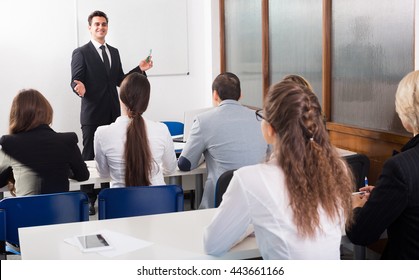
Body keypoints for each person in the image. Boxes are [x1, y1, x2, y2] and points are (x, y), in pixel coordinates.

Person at [204, 80, 354, 259]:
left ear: (270, 128)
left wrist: (252, 221)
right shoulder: (337, 170)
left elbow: (212, 244)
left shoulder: (251, 179)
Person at [70, 10, 153, 214]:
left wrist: (139, 69)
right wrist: (77, 86)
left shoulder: (113, 52)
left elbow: (120, 81)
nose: (101, 27)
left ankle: (107, 195)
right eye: (97, 24)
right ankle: (89, 198)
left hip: (113, 113)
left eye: (104, 24)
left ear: (107, 27)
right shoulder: (81, 52)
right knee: (89, 156)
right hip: (92, 114)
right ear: (90, 28)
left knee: (110, 153)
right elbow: (76, 78)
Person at [346, 70, 419, 259]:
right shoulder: (404, 170)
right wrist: (385, 193)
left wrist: (356, 206)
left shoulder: (400, 167)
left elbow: (360, 234)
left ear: (407, 112)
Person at [178, 72, 268, 209]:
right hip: (258, 203)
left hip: (220, 204)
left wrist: (203, 155)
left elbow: (185, 164)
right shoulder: (261, 119)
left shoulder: (204, 120)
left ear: (215, 95)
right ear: (240, 95)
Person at [94, 72, 177, 187]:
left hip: (119, 203)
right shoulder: (161, 130)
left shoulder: (102, 134)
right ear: (146, 102)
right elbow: (171, 169)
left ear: (120, 98)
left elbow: (103, 174)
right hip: (158, 203)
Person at [0, 89, 89, 196]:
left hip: (25, 212)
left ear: (16, 115)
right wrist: (65, 170)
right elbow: (83, 175)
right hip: (61, 212)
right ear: (47, 111)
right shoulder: (67, 140)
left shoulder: (9, 144)